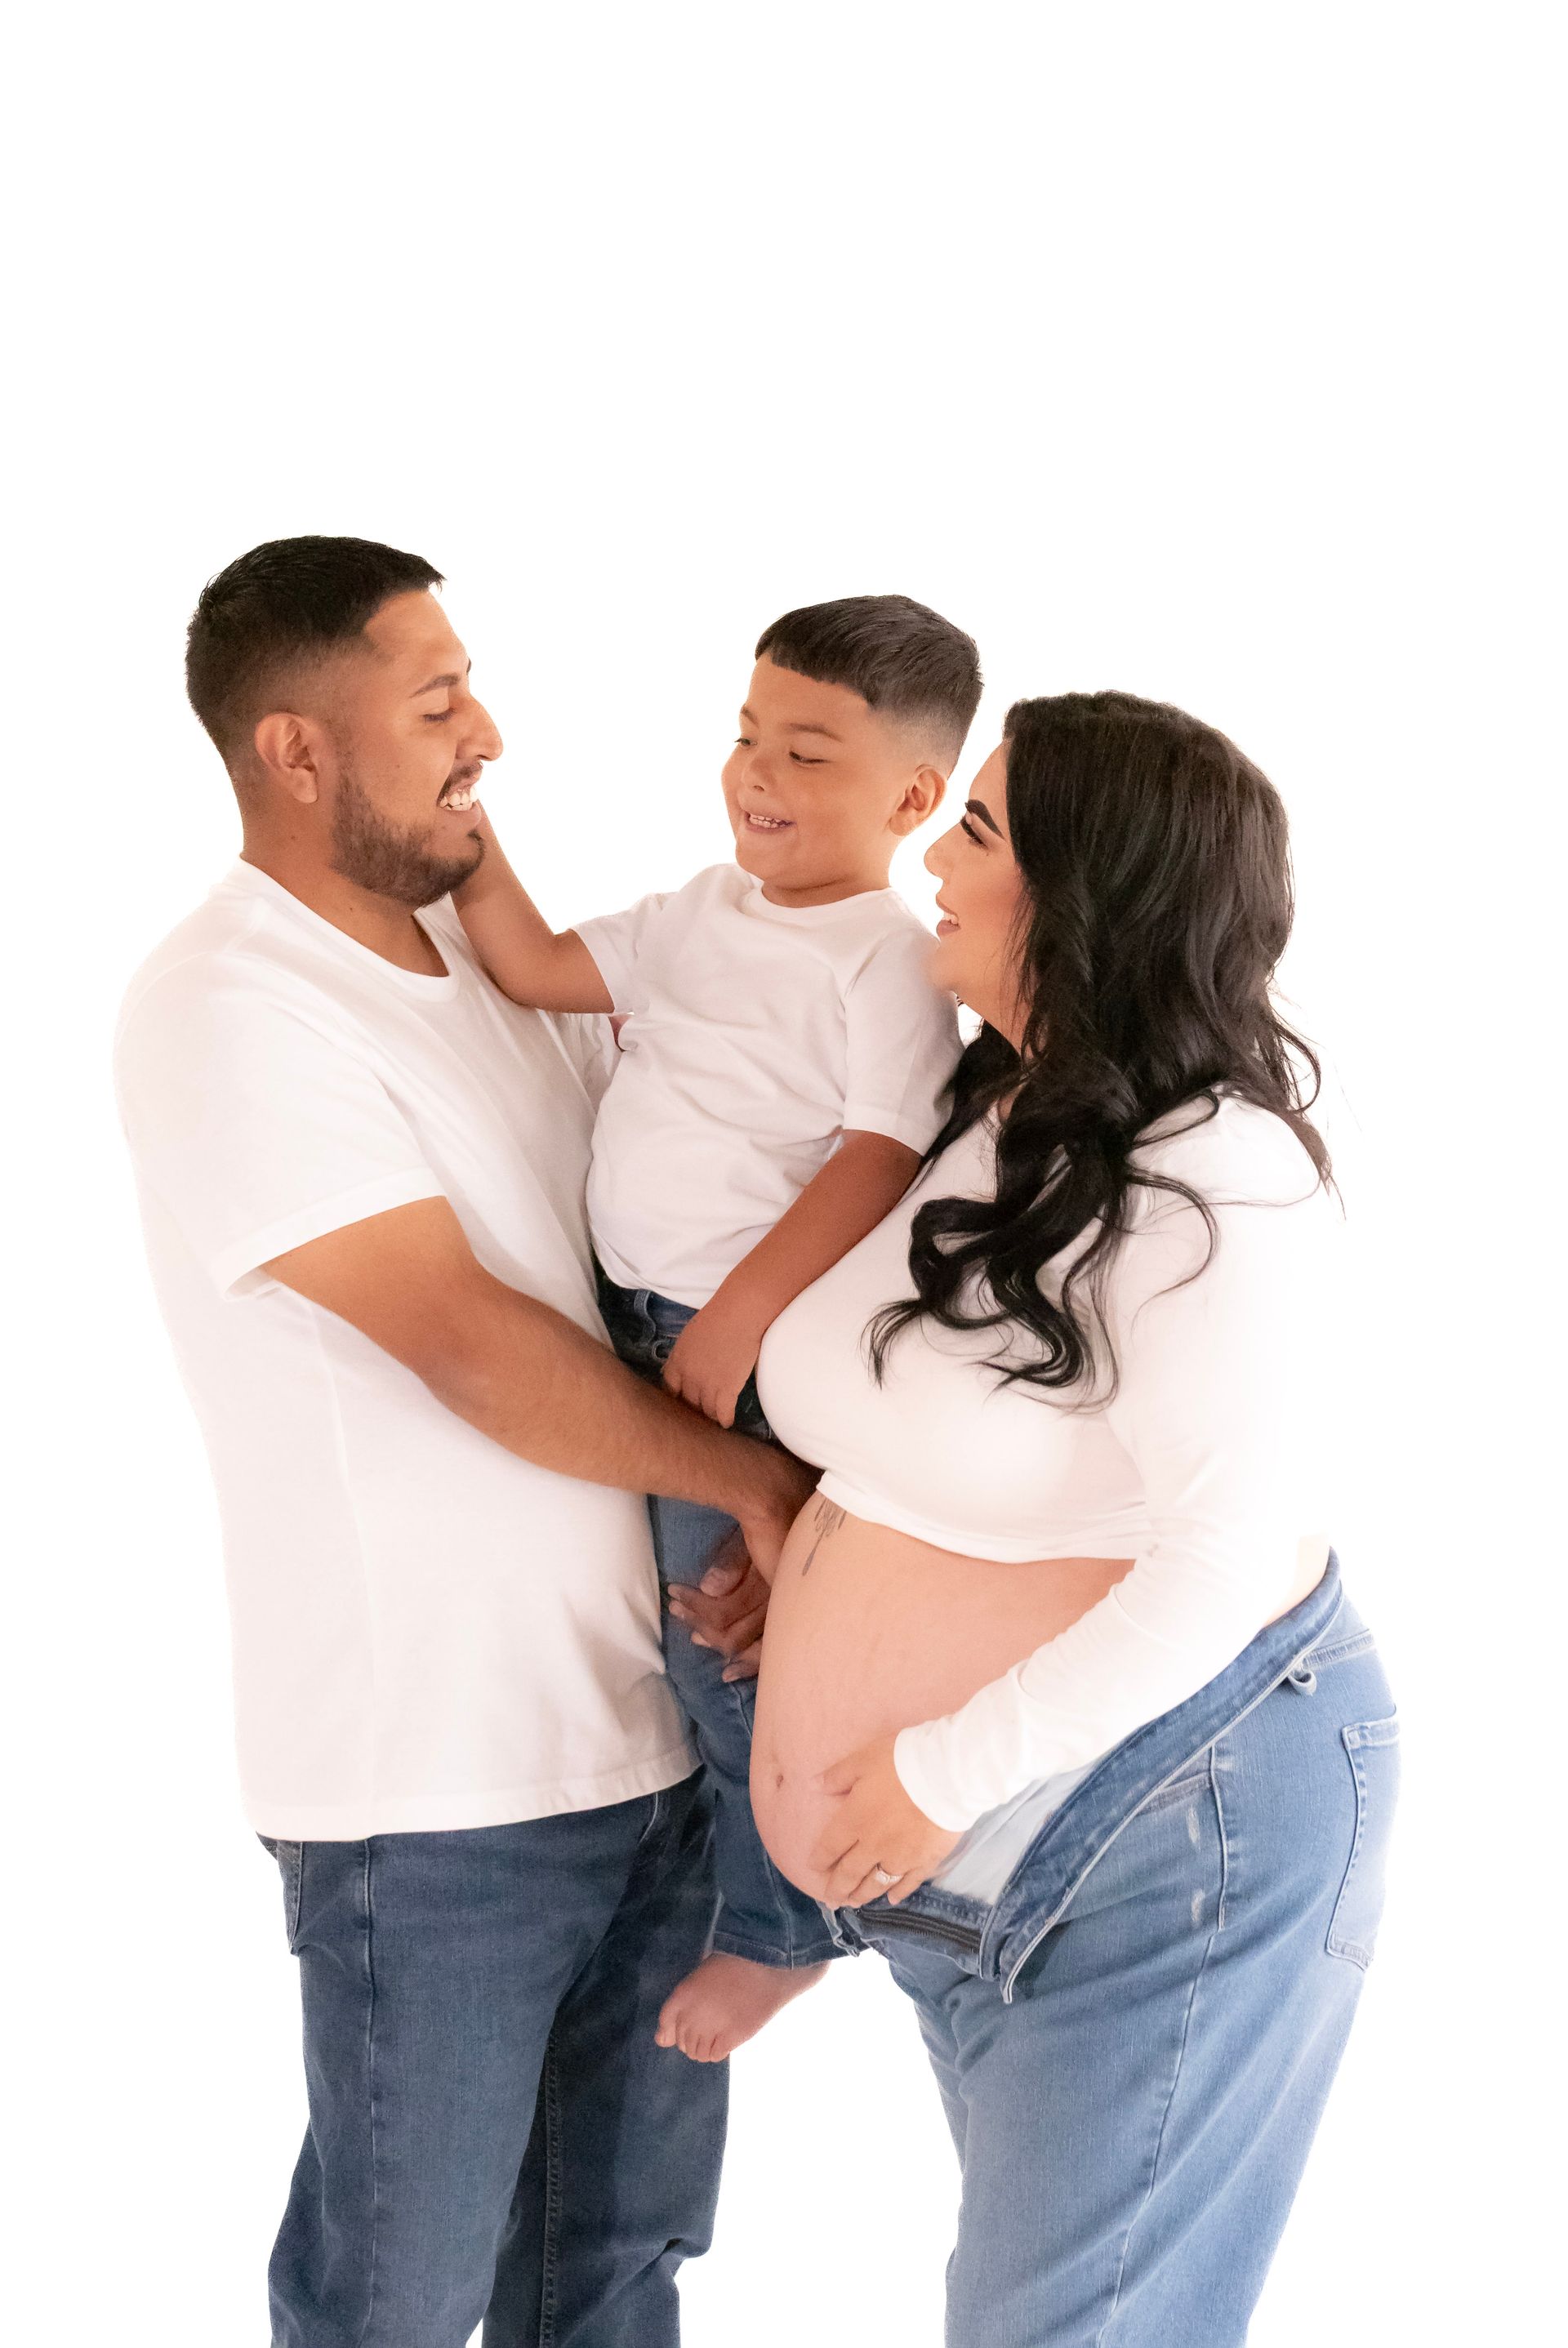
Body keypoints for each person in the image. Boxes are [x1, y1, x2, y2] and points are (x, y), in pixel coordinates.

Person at [114, 536, 813, 2348]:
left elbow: (640, 1239)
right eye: (434, 703)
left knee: (614, 2275)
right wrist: (746, 1480)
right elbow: (467, 1339)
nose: (483, 734)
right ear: (297, 751)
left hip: (644, 1764)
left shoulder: (475, 960)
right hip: (431, 1805)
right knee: (396, 2309)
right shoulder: (228, 1004)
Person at [749, 692, 1401, 2346]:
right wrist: (822, 1570)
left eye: (975, 830)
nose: (929, 860)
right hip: (1014, 1859)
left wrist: (933, 1768)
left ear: (1087, 894)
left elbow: (1220, 1560)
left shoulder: (1218, 1180)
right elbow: (956, 1439)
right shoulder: (1010, 1108)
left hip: (1168, 1828)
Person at [452, 595, 975, 2059]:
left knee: (722, 1645)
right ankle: (733, 1883)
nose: (758, 773)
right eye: (748, 735)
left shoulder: (881, 958)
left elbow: (877, 1155)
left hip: (727, 1342)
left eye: (808, 752)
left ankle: (786, 1925)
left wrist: (740, 1320)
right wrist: (464, 824)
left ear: (914, 798)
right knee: (659, 1638)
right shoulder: (698, 912)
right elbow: (541, 968)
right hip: (631, 1322)